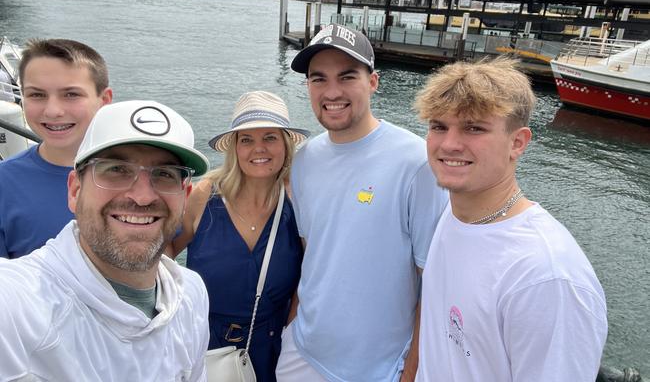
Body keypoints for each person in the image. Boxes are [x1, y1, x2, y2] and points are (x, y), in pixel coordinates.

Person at [413, 58, 607, 382]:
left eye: (474, 127)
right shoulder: (454, 213)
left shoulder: (546, 277)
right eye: (438, 126)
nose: (449, 144)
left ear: (517, 142)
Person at [275, 23, 448, 382]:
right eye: (318, 78)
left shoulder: (416, 163)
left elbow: (433, 282)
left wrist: (411, 371)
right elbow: (314, 254)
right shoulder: (305, 159)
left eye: (347, 76)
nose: (332, 91)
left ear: (373, 82)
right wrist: (291, 329)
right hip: (302, 352)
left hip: (379, 369)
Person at [0, 100, 211, 380]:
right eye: (116, 170)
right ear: (75, 190)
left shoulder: (191, 294)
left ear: (185, 197)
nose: (143, 196)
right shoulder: (19, 307)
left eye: (164, 174)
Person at [170, 91, 309, 382]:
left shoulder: (298, 200)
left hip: (272, 350)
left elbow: (309, 278)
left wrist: (292, 334)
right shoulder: (205, 195)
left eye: (270, 137)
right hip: (201, 346)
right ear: (234, 147)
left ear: (285, 144)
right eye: (247, 139)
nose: (259, 148)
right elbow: (164, 251)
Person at [0, 39, 113, 258]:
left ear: (104, 100)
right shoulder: (4, 185)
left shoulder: (145, 177)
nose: (53, 111)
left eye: (71, 94)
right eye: (37, 95)